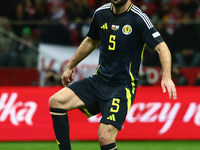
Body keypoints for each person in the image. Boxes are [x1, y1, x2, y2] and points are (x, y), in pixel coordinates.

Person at [49, 0, 177, 150]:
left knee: (104, 137)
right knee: (56, 101)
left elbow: (162, 48)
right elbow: (91, 40)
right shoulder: (100, 13)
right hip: (98, 81)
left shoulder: (138, 18)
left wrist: (166, 76)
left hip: (122, 87)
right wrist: (70, 66)